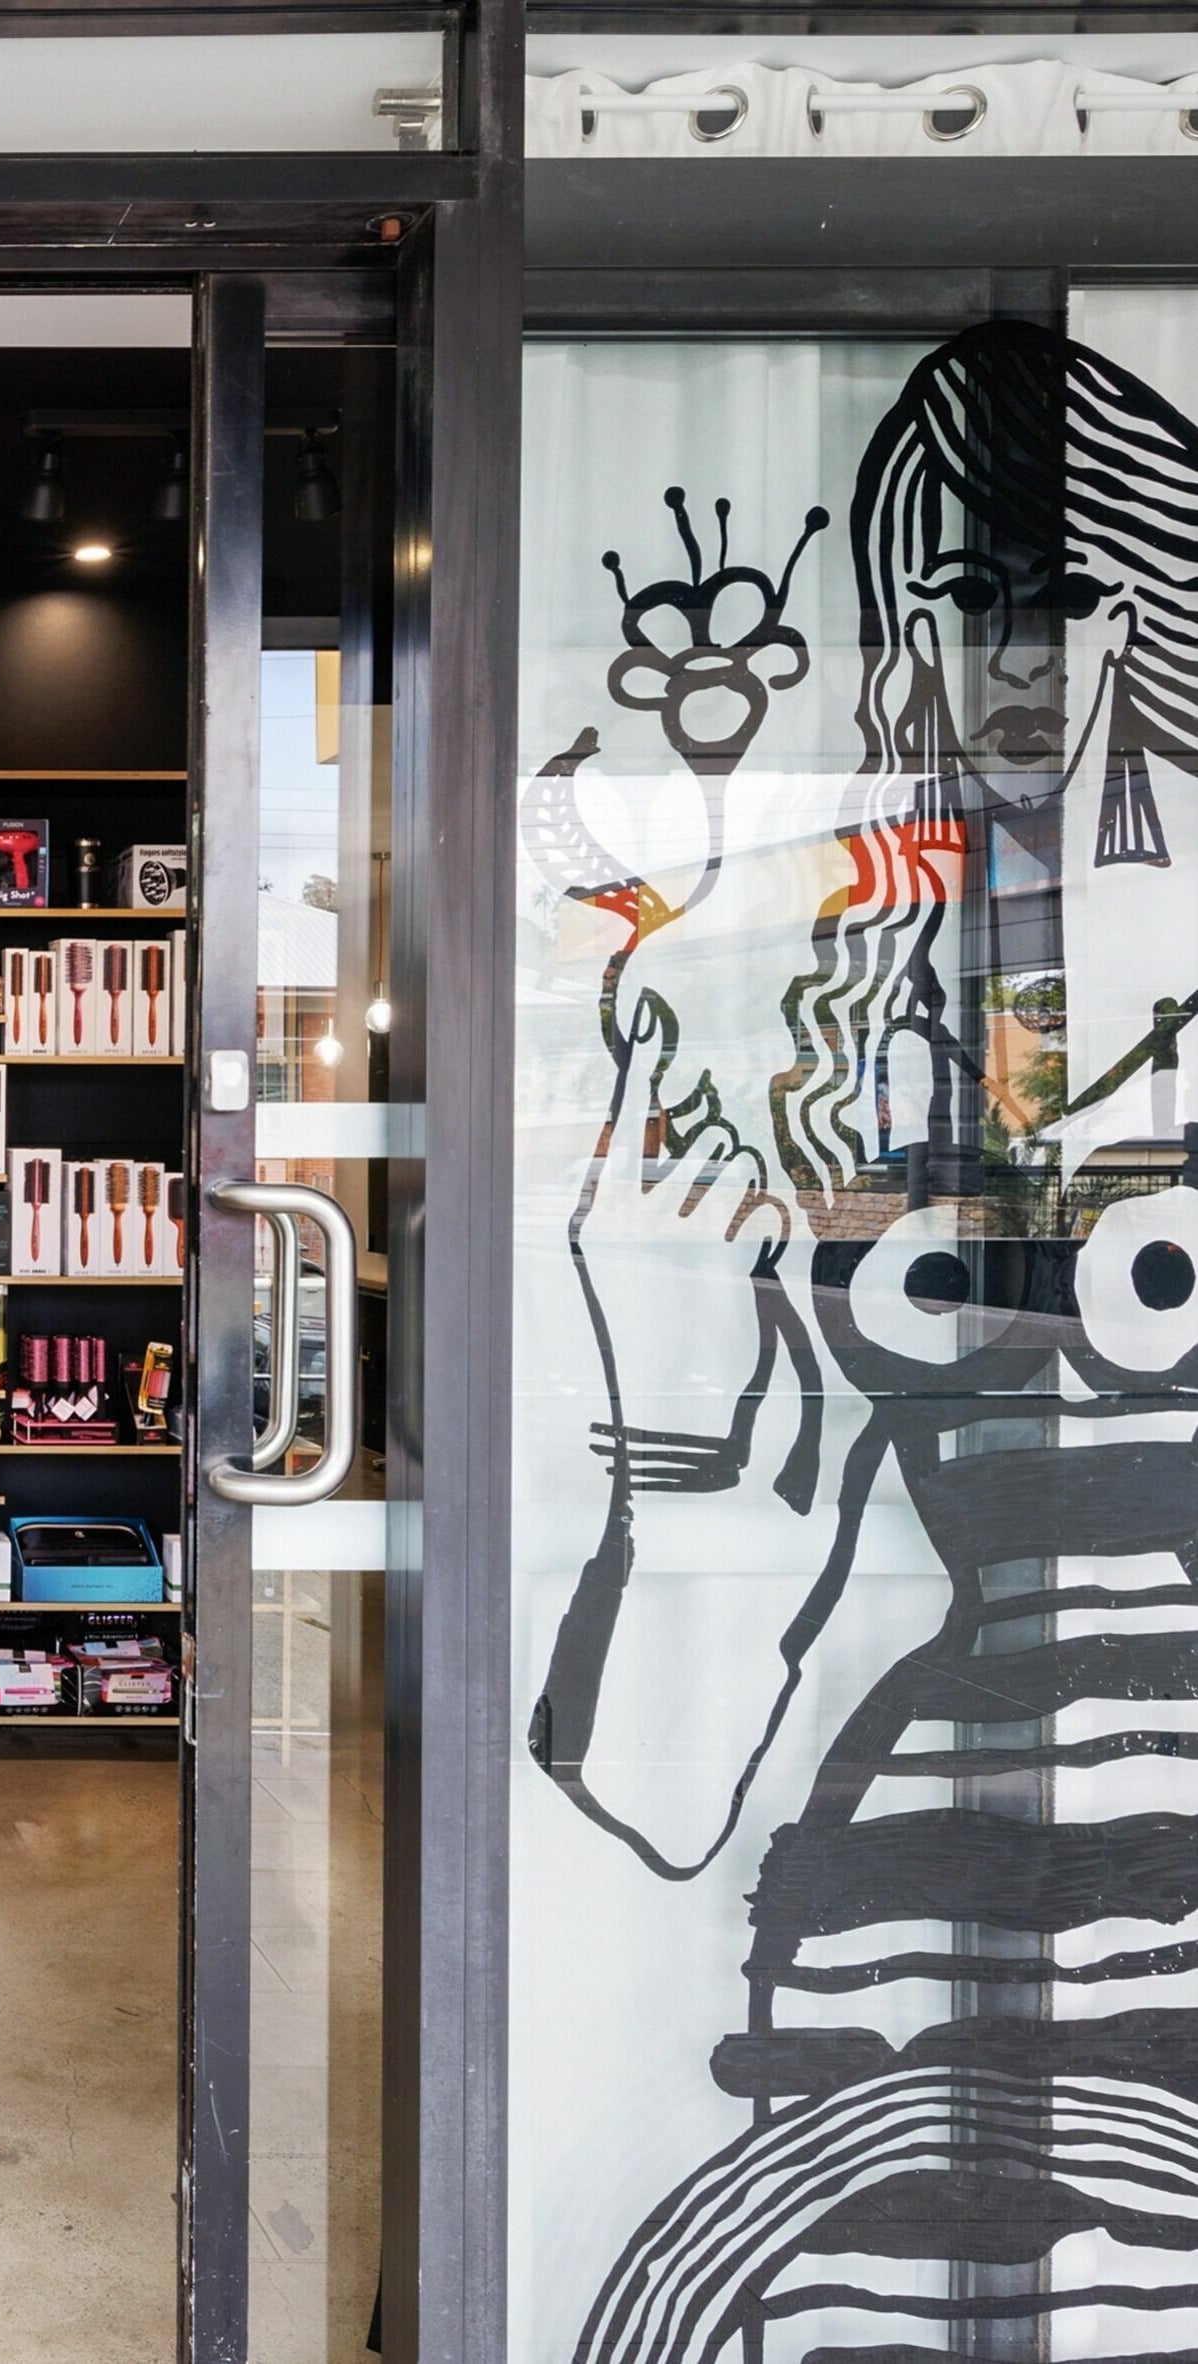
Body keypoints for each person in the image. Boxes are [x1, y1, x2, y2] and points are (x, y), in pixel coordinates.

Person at [531, 320, 1198, 2361]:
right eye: (958, 607)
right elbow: (655, 1786)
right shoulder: (802, 1028)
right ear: (895, 645)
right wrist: (662, 1408)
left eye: (1067, 603)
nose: (1013, 665)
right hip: (892, 1937)